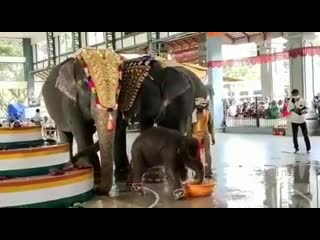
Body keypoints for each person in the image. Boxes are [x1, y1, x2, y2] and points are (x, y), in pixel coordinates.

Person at [191, 97, 215, 179]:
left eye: (203, 106)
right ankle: (198, 173)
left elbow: (211, 125)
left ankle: (208, 172)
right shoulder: (192, 114)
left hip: (205, 134)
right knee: (196, 155)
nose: (202, 107)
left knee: (207, 154)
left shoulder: (208, 113)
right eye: (200, 106)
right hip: (195, 136)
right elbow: (188, 126)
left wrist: (213, 136)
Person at [289, 89, 311, 153]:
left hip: (302, 121)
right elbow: (289, 109)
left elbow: (308, 108)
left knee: (305, 135)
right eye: (293, 95)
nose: (295, 96)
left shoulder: (303, 101)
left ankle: (308, 148)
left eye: (296, 94)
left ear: (298, 94)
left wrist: (303, 111)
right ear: (292, 95)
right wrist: (295, 110)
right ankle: (296, 148)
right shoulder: (291, 101)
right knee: (294, 135)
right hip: (294, 121)